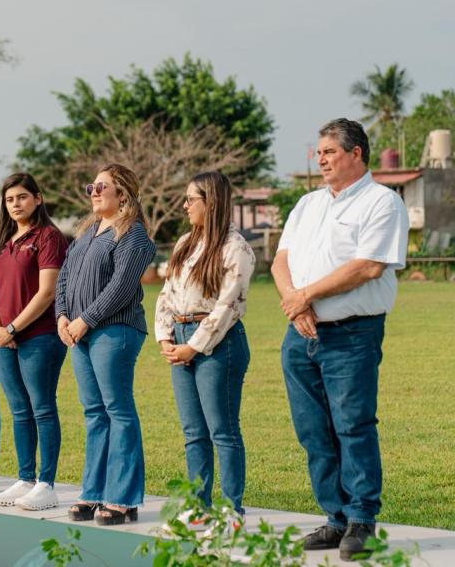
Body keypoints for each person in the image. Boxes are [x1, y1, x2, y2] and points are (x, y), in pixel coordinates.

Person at [271, 118, 409, 561]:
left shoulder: (381, 202)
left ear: (356, 153)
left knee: (352, 425)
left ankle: (361, 519)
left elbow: (368, 266)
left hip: (352, 334)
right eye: (319, 152)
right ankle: (334, 517)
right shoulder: (307, 204)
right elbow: (280, 261)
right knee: (312, 430)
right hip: (301, 333)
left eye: (329, 151)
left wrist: (305, 296)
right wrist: (296, 303)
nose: (321, 160)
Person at [55, 164, 155, 526]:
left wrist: (85, 319)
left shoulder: (133, 234)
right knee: (94, 412)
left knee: (118, 411)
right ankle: (94, 491)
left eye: (102, 186)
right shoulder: (87, 232)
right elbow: (64, 277)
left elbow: (122, 286)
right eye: (91, 187)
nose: (94, 192)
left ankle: (123, 498)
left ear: (123, 193)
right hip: (79, 332)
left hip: (114, 331)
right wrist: (62, 316)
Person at [154, 171, 255, 526]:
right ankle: (198, 506)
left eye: (190, 199)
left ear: (210, 202)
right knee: (193, 432)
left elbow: (228, 307)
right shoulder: (184, 243)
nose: (184, 206)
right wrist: (166, 338)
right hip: (180, 338)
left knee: (222, 431)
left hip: (218, 343)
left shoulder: (236, 249)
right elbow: (166, 295)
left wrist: (193, 347)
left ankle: (231, 511)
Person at [0, 172, 68, 511]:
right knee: (19, 409)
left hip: (39, 336)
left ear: (38, 198)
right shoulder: (0, 241)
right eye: (9, 199)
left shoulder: (48, 237)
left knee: (42, 408)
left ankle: (46, 484)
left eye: (22, 197)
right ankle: (26, 478)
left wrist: (13, 328)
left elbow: (47, 292)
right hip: (2, 338)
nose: (15, 204)